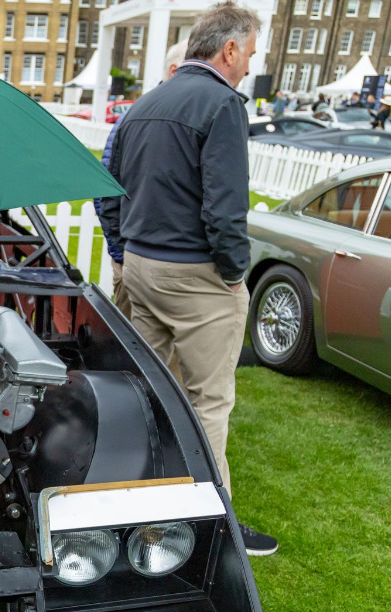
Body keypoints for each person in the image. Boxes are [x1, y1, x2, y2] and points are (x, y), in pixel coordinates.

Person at [99, 1, 277, 556]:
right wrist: (234, 272)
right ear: (229, 49)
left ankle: (133, 509)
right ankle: (211, 530)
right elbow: (226, 209)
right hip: (194, 275)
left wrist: (124, 252)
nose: (249, 65)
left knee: (149, 397)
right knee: (208, 405)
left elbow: (109, 188)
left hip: (143, 267)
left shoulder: (146, 103)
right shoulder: (221, 103)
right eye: (249, 53)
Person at [93, 39, 189, 318]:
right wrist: (122, 255)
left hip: (175, 265)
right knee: (131, 338)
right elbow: (105, 191)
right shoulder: (136, 117)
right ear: (174, 70)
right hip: (136, 260)